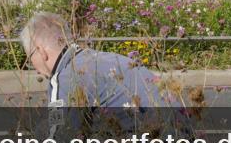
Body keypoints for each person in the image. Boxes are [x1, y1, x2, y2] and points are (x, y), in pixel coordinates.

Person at [20, 12, 174, 110]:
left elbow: (59, 141)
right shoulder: (106, 58)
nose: (34, 67)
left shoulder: (65, 79)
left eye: (30, 57)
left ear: (41, 51)